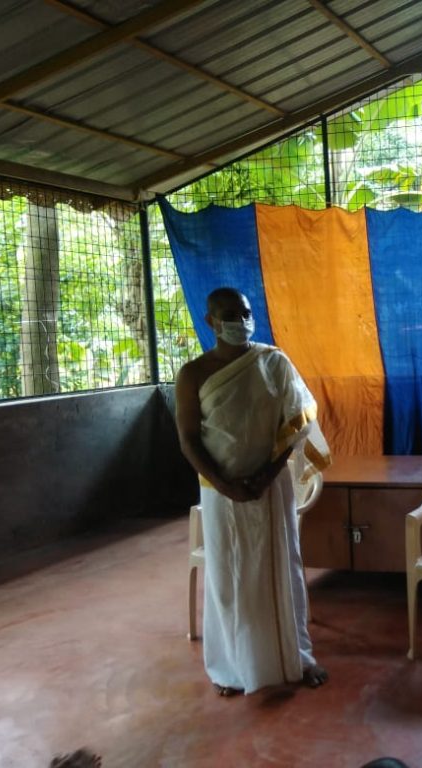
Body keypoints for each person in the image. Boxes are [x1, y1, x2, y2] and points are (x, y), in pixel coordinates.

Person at [175, 287, 331, 696]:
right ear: (210, 321)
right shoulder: (193, 374)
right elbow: (189, 440)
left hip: (271, 485)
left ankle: (297, 658)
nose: (240, 321)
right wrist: (226, 485)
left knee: (284, 569)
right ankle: (232, 669)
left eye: (245, 313)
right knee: (230, 577)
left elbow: (296, 426)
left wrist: (266, 474)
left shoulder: (273, 361)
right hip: (220, 491)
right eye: (229, 314)